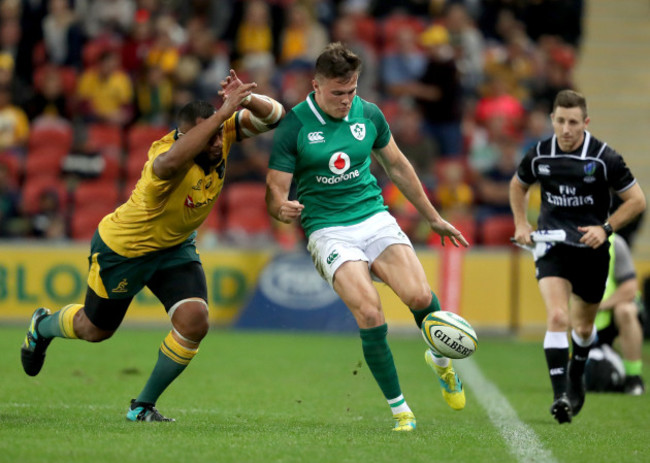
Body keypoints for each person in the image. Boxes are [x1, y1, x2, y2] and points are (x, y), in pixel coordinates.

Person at [21, 70, 285, 421]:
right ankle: (43, 326)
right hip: (124, 250)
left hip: (174, 248)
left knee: (195, 321)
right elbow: (170, 163)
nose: (218, 145)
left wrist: (245, 99)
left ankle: (142, 406)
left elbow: (276, 116)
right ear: (185, 135)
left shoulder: (222, 132)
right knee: (95, 329)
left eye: (219, 137)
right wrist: (222, 115)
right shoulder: (164, 156)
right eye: (208, 139)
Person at [266, 42, 469, 432]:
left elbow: (398, 167)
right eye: (337, 93)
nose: (346, 100)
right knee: (370, 311)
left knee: (419, 297)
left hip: (373, 217)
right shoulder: (294, 126)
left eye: (352, 91)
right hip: (328, 230)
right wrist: (281, 207)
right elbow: (275, 190)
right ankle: (400, 411)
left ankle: (441, 362)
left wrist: (434, 217)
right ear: (316, 86)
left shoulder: (369, 114)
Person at [509, 89, 646, 424]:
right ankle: (561, 397)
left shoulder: (603, 158)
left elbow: (637, 201)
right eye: (560, 121)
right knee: (558, 317)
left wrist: (606, 228)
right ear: (552, 121)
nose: (566, 129)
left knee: (583, 327)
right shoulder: (540, 155)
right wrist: (521, 222)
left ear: (585, 122)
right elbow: (518, 184)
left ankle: (577, 373)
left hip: (591, 250)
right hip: (552, 245)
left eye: (573, 122)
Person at [589, 233, 645, 395]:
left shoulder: (615, 243)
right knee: (594, 378)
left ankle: (634, 377)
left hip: (611, 314)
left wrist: (600, 306)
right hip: (586, 321)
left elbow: (630, 287)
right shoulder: (568, 241)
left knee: (625, 310)